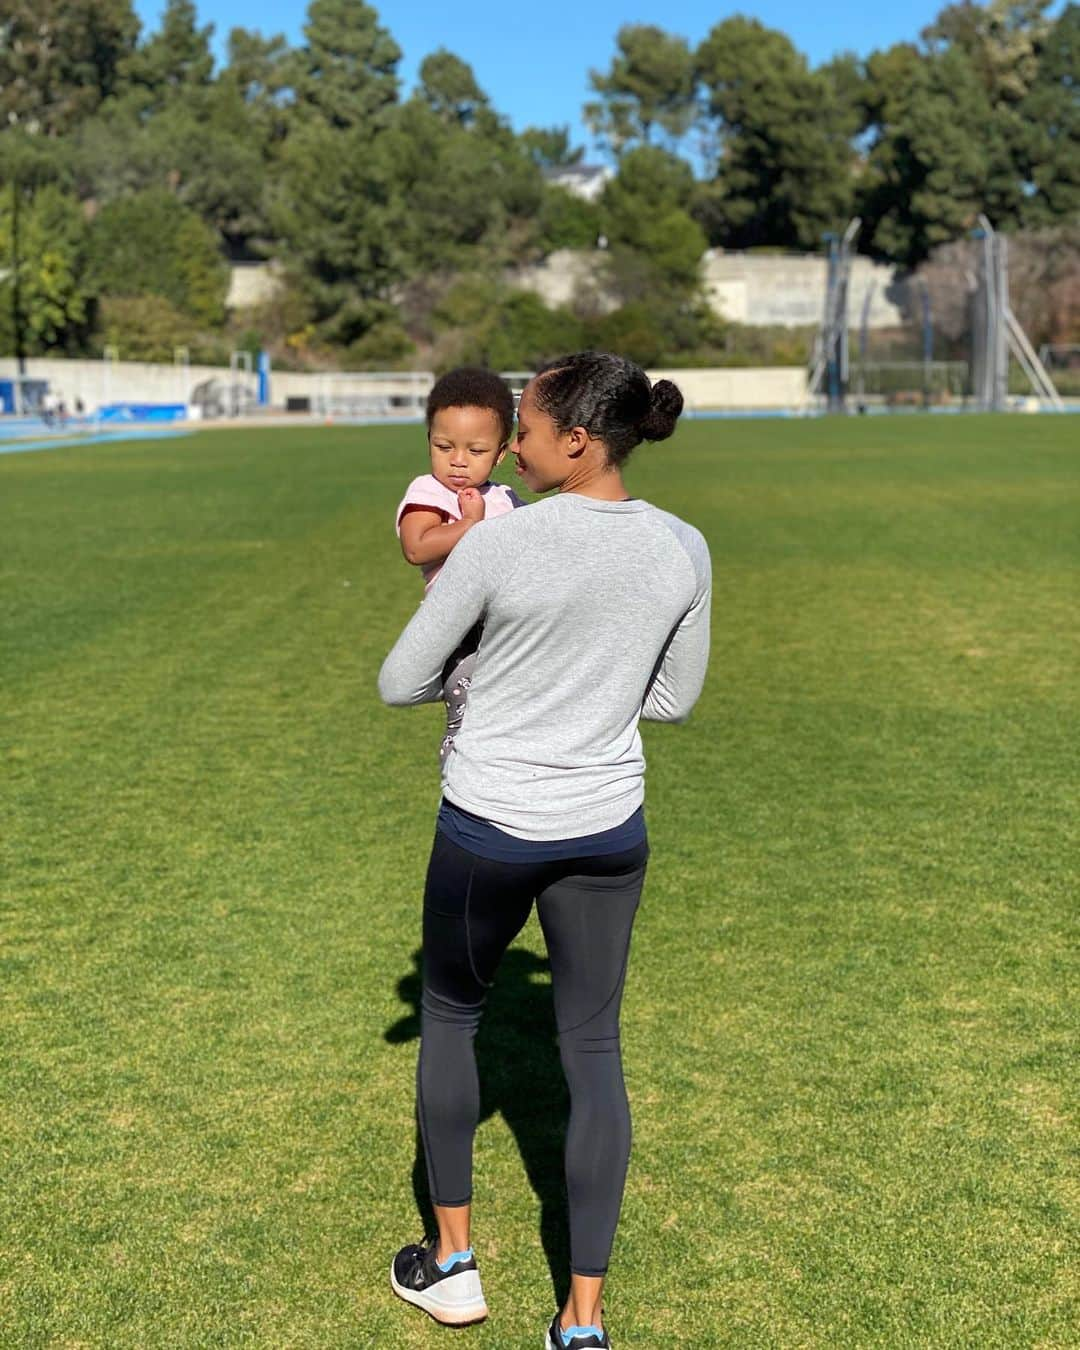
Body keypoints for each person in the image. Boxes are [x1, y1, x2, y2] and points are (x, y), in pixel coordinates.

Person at [378, 351, 712, 1350]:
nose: (506, 447)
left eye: (521, 426)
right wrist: (587, 703)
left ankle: (452, 1269)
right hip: (608, 829)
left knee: (448, 1014)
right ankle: (584, 1320)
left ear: (577, 438)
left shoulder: (493, 543)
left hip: (488, 822)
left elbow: (402, 680)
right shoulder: (683, 545)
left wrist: (506, 695)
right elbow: (674, 699)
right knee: (594, 1054)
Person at [395, 367, 523, 767]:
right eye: (444, 446)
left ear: (501, 452)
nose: (458, 461)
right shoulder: (429, 492)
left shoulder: (505, 497)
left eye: (476, 450)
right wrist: (468, 524)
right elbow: (417, 547)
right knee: (468, 709)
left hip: (510, 623)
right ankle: (461, 769)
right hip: (461, 625)